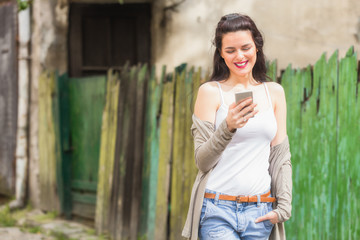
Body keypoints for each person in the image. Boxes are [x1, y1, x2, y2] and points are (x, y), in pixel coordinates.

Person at [182, 13, 292, 240]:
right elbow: (202, 161)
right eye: (230, 50)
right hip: (216, 209)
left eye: (245, 48)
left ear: (257, 48)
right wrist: (228, 127)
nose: (239, 56)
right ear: (221, 54)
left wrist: (283, 207)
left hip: (259, 212)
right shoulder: (211, 92)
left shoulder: (274, 93)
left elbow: (281, 157)